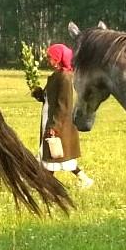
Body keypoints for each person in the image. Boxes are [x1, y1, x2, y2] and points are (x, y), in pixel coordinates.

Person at [31, 43, 93, 188]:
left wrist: (55, 126)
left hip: (60, 123)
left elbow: (64, 105)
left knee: (53, 155)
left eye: (50, 57)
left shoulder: (65, 77)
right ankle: (83, 179)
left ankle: (46, 185)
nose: (48, 59)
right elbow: (49, 98)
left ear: (58, 58)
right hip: (50, 119)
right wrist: (39, 94)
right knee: (57, 155)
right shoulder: (56, 75)